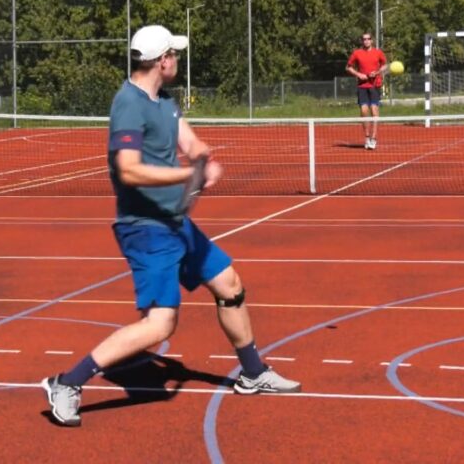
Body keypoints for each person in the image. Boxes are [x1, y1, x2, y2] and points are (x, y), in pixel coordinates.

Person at [41, 24, 301, 428]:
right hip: (146, 229)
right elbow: (127, 170)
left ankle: (253, 373)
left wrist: (201, 159)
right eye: (174, 55)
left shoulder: (165, 101)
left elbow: (189, 143)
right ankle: (67, 382)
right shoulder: (128, 105)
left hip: (176, 224)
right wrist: (185, 176)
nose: (177, 59)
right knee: (161, 324)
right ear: (162, 61)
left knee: (229, 284)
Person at [345, 32, 388, 150]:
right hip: (362, 86)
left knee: (374, 110)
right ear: (362, 41)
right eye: (364, 39)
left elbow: (385, 65)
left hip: (375, 85)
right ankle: (367, 137)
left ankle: (374, 138)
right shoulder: (357, 53)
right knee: (364, 111)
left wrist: (378, 72)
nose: (366, 41)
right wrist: (358, 74)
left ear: (372, 40)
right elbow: (348, 67)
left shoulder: (378, 52)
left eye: (368, 39)